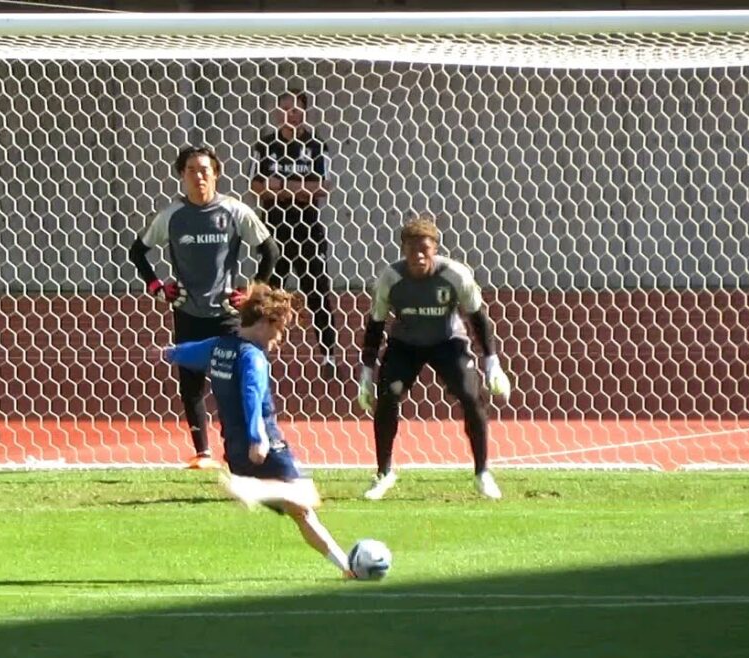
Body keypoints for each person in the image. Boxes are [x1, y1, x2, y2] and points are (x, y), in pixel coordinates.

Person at [162, 284, 354, 578]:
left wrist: (167, 353)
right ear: (265, 322)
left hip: (235, 451)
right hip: (265, 446)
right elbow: (251, 394)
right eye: (280, 328)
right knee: (307, 496)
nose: (280, 336)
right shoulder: (253, 357)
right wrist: (258, 437)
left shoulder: (218, 346)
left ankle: (347, 568)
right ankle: (253, 489)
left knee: (301, 512)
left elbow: (186, 353)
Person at [129, 145, 280, 470]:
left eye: (204, 170)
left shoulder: (235, 211)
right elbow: (137, 251)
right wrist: (157, 288)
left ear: (216, 174)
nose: (199, 176)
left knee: (234, 381)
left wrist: (252, 291)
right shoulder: (171, 216)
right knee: (191, 383)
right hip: (188, 311)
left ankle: (240, 447)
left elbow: (270, 250)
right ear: (181, 175)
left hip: (227, 315)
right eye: (191, 170)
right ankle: (202, 452)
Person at [356, 216, 512, 500]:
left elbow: (478, 318)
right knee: (388, 396)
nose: (418, 256)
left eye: (424, 249)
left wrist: (492, 362)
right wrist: (366, 371)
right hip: (405, 344)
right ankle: (383, 473)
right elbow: (376, 325)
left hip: (448, 342)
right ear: (403, 250)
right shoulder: (390, 278)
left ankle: (482, 473)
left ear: (435, 249)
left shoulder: (455, 275)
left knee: (470, 395)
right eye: (411, 249)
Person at [250, 89, 338, 374]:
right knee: (266, 293)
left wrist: (282, 187)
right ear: (278, 112)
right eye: (286, 108)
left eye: (296, 109)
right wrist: (299, 189)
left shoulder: (316, 145)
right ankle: (257, 350)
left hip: (307, 229)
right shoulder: (265, 145)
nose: (291, 114)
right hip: (273, 230)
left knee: (317, 292)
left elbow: (322, 187)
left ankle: (328, 356)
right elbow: (257, 186)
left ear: (305, 111)